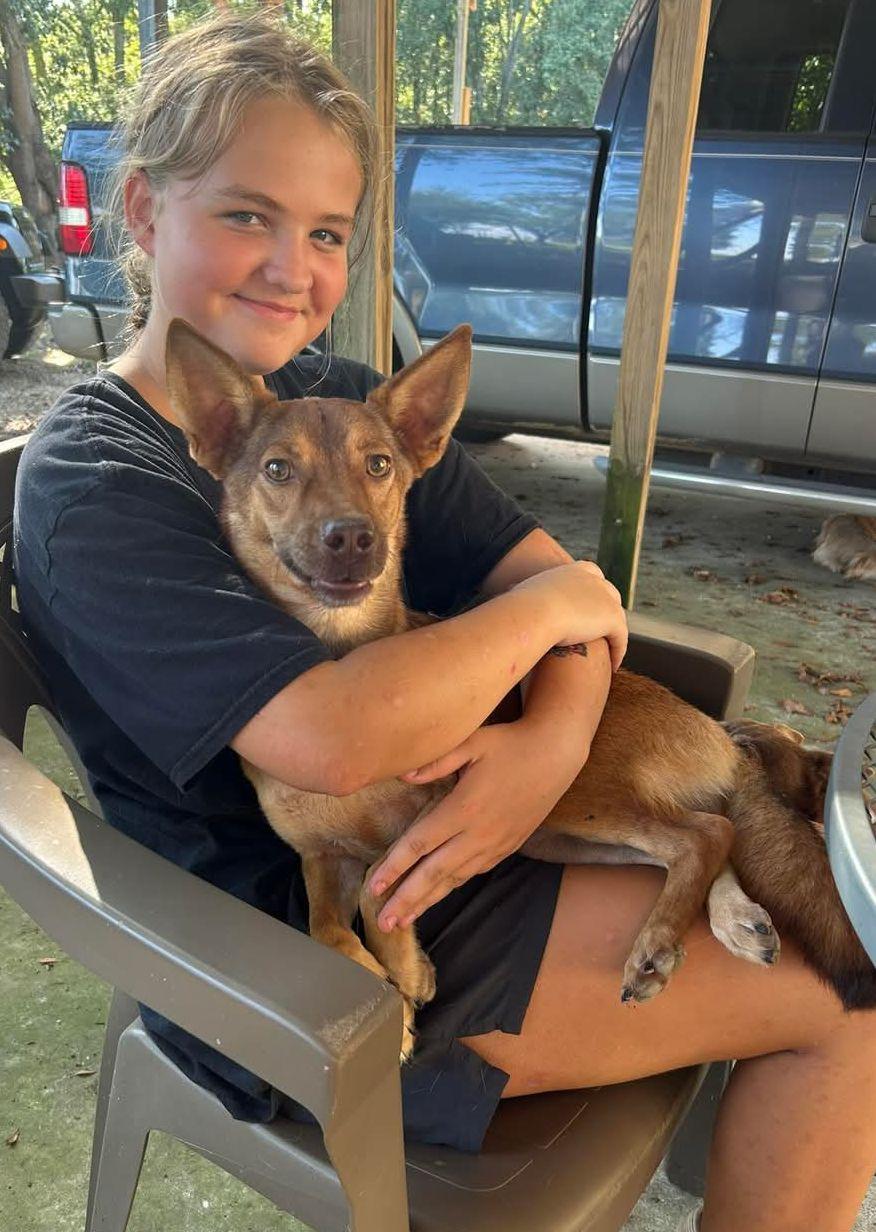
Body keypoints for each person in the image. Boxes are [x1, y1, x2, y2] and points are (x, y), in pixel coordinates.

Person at [12, 12, 874, 1232]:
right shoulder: (100, 475)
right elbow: (330, 739)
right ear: (145, 211)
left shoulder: (342, 403)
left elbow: (566, 591)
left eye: (325, 233)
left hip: (476, 845)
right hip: (288, 965)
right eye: (246, 214)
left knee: (829, 908)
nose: (289, 266)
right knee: (855, 1005)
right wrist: (562, 611)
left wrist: (551, 741)